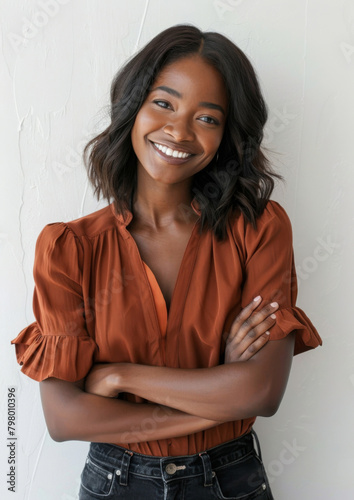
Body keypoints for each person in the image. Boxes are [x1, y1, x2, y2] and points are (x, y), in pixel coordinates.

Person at [11, 24, 322, 500]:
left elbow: (262, 391)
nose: (179, 130)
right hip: (115, 483)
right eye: (164, 103)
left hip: (231, 480)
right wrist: (218, 396)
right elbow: (64, 418)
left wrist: (118, 376)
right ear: (132, 106)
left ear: (227, 135)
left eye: (208, 118)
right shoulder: (68, 249)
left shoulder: (259, 230)